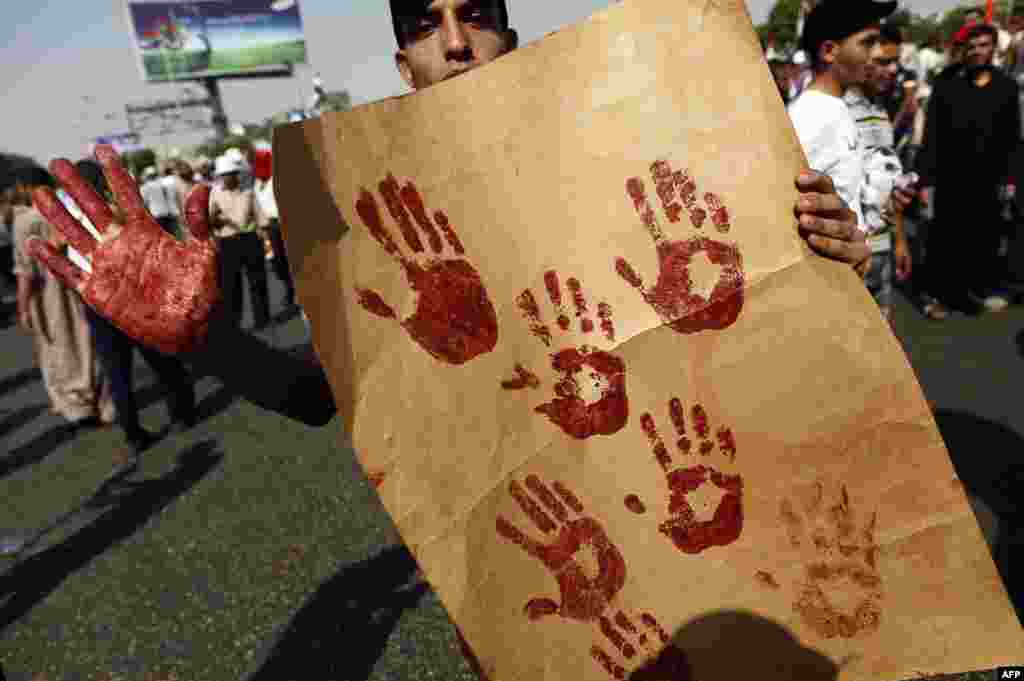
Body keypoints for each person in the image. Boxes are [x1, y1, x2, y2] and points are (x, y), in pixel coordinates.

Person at [27, 0, 873, 425]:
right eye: (429, 26)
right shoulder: (391, 233)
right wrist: (214, 343)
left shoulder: (652, 156)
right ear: (405, 64)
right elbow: (328, 398)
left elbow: (781, 315)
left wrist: (833, 255)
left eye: (474, 16)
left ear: (510, 37)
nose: (457, 42)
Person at [69, 159, 198, 472]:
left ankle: (132, 432)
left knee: (117, 371)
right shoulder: (118, 214)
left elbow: (73, 267)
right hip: (132, 296)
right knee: (159, 355)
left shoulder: (72, 221)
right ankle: (182, 412)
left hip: (98, 303)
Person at [916, 22, 1022, 315]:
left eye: (984, 45)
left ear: (993, 48)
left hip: (989, 180)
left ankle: (973, 289)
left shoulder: (1006, 86)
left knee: (983, 237)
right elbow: (932, 134)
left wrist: (1010, 179)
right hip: (950, 178)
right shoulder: (947, 82)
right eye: (972, 46)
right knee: (945, 239)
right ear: (964, 49)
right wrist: (926, 180)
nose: (977, 51)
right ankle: (935, 295)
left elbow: (1012, 137)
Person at [8, 165, 115, 432]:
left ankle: (77, 407)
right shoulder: (62, 210)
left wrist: (22, 308)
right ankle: (101, 401)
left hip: (46, 293)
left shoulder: (24, 221)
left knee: (58, 346)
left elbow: (25, 271)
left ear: (23, 187)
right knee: (86, 342)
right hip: (77, 283)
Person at [787, 0, 901, 235]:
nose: (877, 54)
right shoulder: (810, 115)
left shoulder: (837, 107)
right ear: (829, 51)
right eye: (868, 43)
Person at [843, 22, 914, 325]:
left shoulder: (881, 110)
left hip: (882, 251)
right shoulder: (835, 111)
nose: (893, 69)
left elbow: (888, 181)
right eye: (884, 61)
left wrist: (900, 240)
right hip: (850, 257)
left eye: (896, 61)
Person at [209, 153, 272, 330]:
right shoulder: (215, 194)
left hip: (250, 239)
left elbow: (261, 219)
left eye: (230, 173)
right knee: (231, 285)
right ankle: (235, 324)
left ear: (236, 174)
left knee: (257, 281)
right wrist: (214, 219)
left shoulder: (248, 192)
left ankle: (262, 319)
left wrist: (267, 241)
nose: (227, 177)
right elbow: (209, 221)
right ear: (220, 176)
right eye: (224, 174)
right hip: (228, 242)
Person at [252, 146, 296, 308]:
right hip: (266, 226)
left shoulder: (276, 179)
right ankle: (288, 287)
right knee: (276, 261)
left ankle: (292, 291)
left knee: (287, 258)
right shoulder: (257, 183)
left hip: (281, 223)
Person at [139, 165, 178, 237]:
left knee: (162, 237)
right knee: (173, 236)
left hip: (157, 215)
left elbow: (144, 202)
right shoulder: (164, 183)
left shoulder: (145, 187)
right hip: (169, 213)